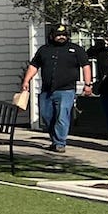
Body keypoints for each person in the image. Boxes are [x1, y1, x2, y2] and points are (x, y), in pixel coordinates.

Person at [20, 24, 90, 155]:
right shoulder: (44, 50)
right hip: (47, 90)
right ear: (52, 36)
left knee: (62, 116)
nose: (61, 37)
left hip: (67, 90)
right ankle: (55, 139)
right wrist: (26, 81)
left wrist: (87, 84)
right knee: (47, 116)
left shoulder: (76, 50)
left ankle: (60, 143)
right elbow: (34, 66)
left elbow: (86, 66)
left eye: (64, 35)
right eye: (58, 35)